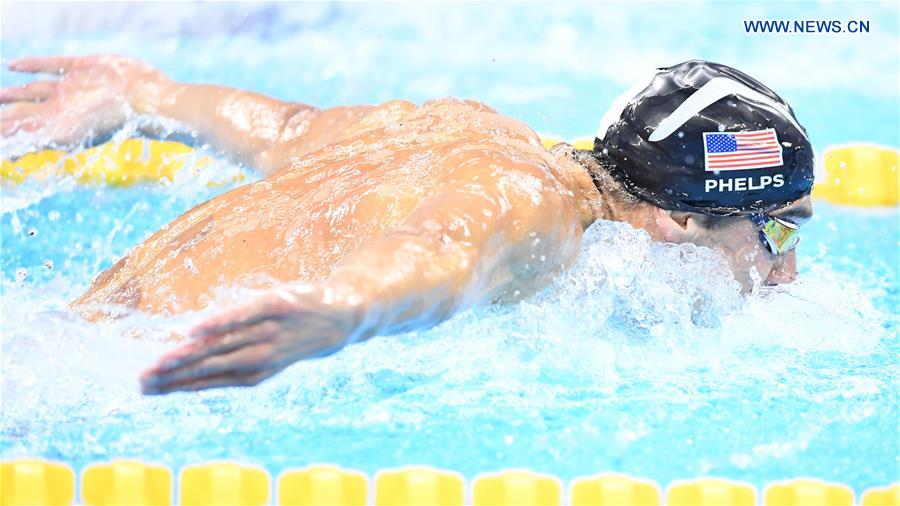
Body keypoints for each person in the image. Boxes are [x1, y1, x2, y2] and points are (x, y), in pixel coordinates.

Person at [1, 56, 814, 395]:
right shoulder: (535, 212)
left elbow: (287, 130)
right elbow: (436, 252)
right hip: (105, 371)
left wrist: (142, 94)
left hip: (64, 334)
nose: (785, 272)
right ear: (678, 219)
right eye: (775, 232)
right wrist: (342, 311)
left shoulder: (471, 129)